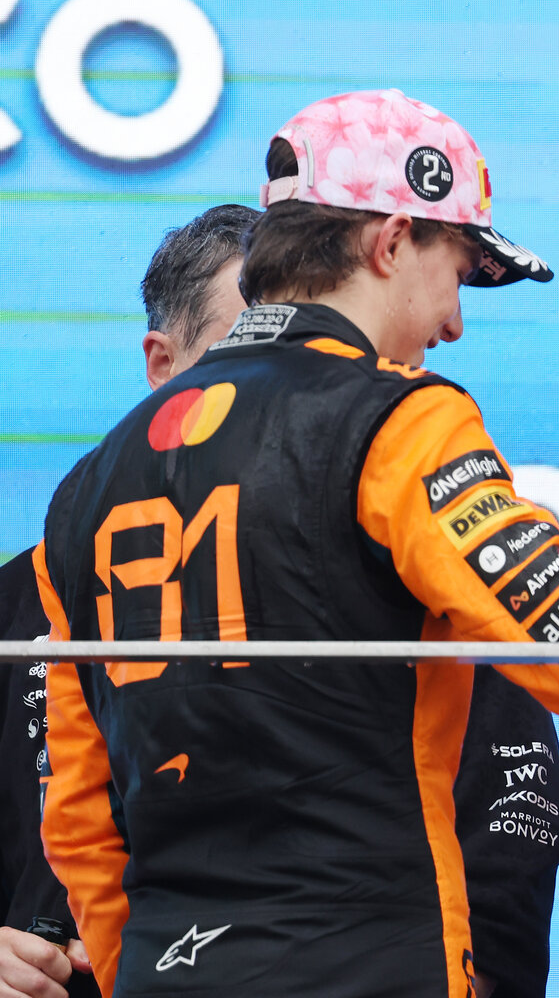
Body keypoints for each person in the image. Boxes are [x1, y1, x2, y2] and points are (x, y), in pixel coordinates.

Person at [35, 89, 559, 998]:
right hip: (376, 966)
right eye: (459, 272)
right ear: (389, 243)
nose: (456, 322)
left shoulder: (88, 484)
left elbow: (77, 820)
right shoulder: (399, 419)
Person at [0, 204, 257, 998]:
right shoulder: (23, 593)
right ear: (163, 363)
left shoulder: (391, 583)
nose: (285, 392)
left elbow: (498, 876)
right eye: (251, 354)